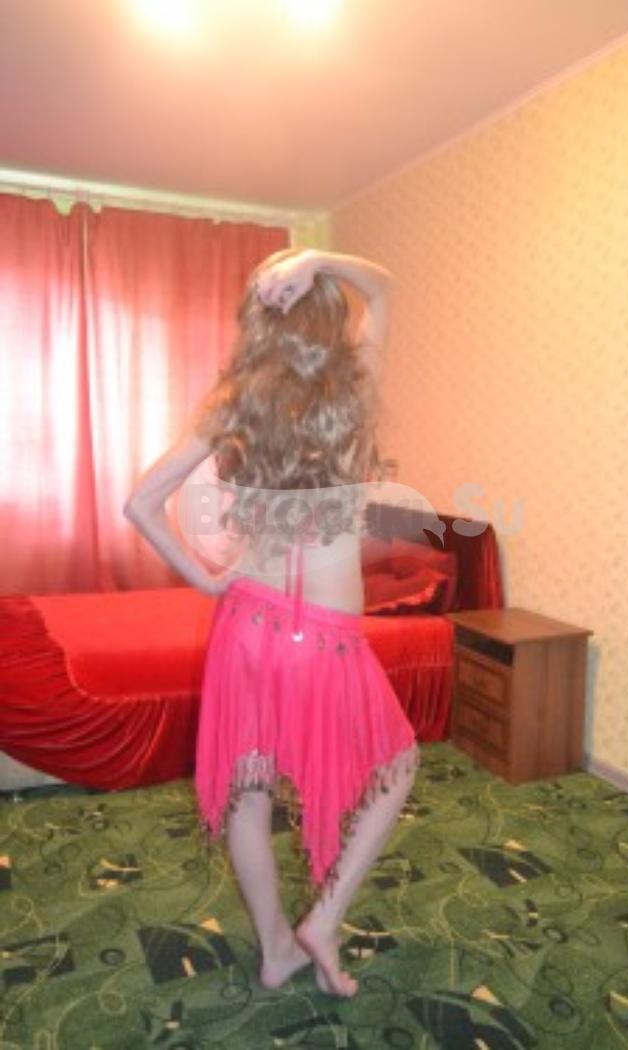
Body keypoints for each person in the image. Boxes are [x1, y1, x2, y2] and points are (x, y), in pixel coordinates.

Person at [123, 248, 420, 998]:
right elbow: (384, 287)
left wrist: (205, 577)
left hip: (246, 625)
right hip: (324, 636)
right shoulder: (356, 387)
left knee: (249, 792)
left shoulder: (234, 402)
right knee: (397, 767)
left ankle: (276, 950)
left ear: (261, 321)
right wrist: (320, 259)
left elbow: (140, 503)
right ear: (329, 318)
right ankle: (322, 922)